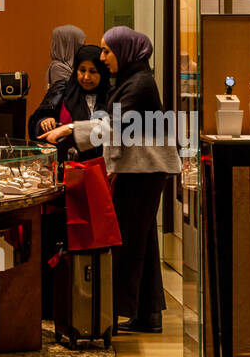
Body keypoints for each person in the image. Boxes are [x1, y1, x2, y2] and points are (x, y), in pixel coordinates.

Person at [42, 27, 181, 334]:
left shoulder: (140, 83)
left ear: (126, 51)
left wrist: (67, 130)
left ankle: (114, 314)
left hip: (143, 173)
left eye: (107, 51)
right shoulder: (133, 79)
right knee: (142, 242)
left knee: (129, 243)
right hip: (140, 170)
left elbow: (114, 126)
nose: (103, 58)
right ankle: (147, 314)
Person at [28, 44, 110, 142]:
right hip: (65, 155)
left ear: (103, 73)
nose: (86, 77)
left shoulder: (113, 95)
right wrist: (44, 122)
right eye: (82, 70)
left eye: (92, 72)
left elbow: (116, 131)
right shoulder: (62, 90)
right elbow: (34, 124)